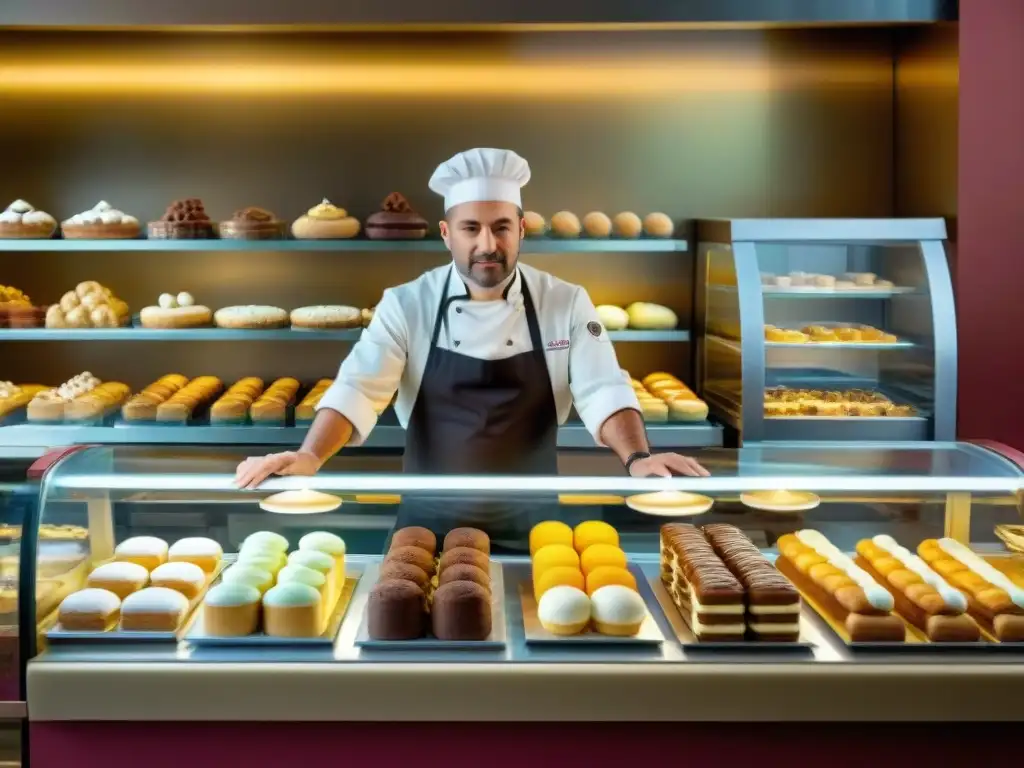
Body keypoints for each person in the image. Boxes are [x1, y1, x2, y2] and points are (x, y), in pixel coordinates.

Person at [235, 148, 708, 546]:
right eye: (471, 228)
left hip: (535, 528)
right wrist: (311, 456)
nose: (488, 244)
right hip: (427, 528)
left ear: (521, 230)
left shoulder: (565, 301)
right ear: (446, 233)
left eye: (501, 227)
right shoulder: (406, 304)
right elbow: (359, 388)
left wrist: (638, 457)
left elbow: (602, 389)